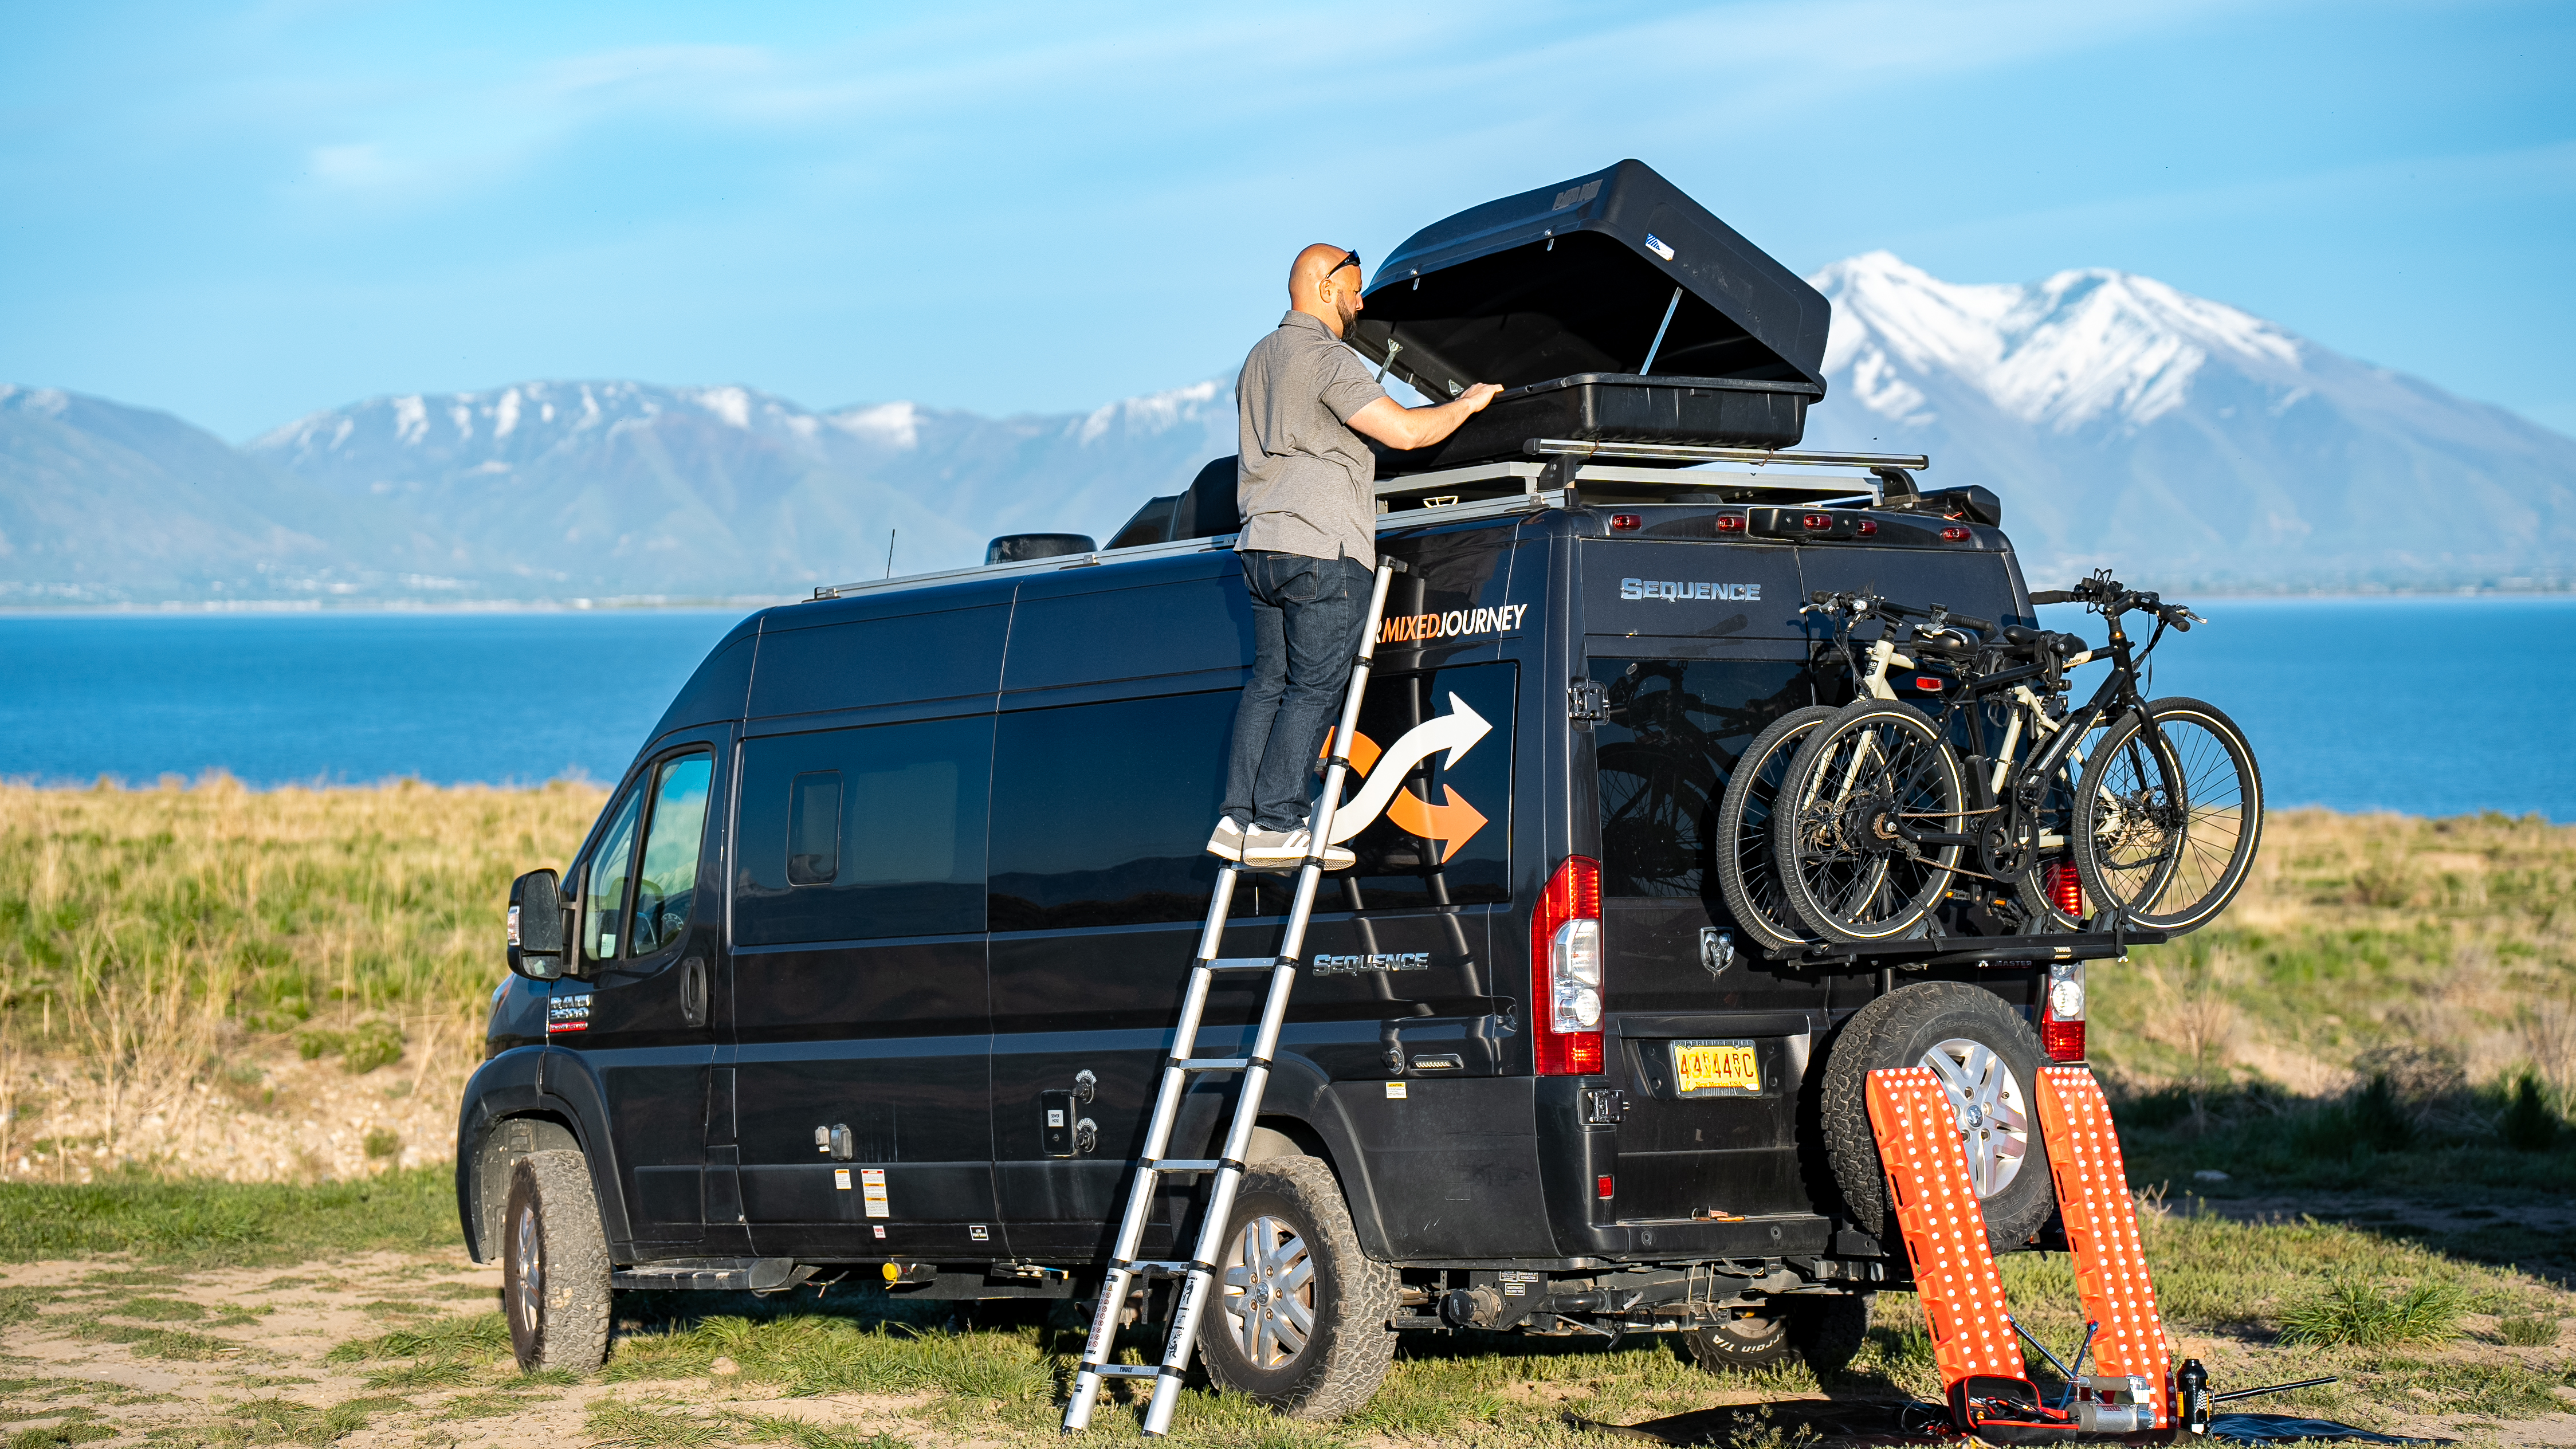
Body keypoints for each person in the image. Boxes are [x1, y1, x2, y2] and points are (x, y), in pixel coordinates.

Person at [1211, 243, 1502, 870]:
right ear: (1322, 287)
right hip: (1322, 546)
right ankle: (1280, 820)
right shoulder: (1325, 358)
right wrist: (1466, 404)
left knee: (1268, 684)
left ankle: (1237, 819)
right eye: (1353, 288)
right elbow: (1405, 432)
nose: (1360, 301)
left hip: (1261, 544)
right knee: (1316, 686)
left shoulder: (1258, 359)